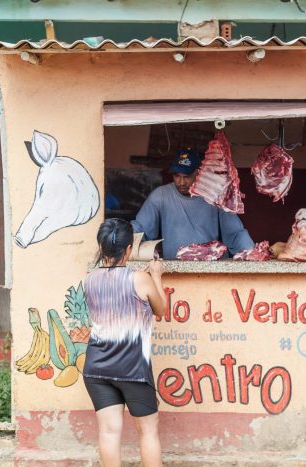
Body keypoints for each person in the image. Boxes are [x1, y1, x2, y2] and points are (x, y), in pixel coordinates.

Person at [82, 218, 167, 467]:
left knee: (109, 432)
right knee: (148, 431)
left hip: (97, 369)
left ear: (102, 247)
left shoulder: (89, 280)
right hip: (132, 370)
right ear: (129, 249)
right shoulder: (139, 279)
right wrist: (157, 276)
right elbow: (160, 310)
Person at [131, 148, 254, 259]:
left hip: (211, 268)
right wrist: (123, 243)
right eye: (177, 176)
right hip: (173, 270)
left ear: (198, 172)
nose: (181, 182)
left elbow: (236, 233)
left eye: (187, 176)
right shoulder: (160, 196)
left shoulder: (214, 195)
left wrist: (251, 253)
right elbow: (140, 228)